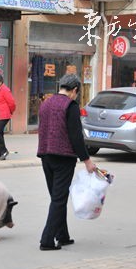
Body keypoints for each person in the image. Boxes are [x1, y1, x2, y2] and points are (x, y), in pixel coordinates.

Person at [37, 73, 97, 251]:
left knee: (57, 198)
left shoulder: (45, 104)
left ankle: (62, 235)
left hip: (45, 155)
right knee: (59, 199)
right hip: (63, 158)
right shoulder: (70, 106)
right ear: (75, 90)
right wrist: (87, 160)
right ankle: (47, 240)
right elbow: (76, 136)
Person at [0, 73, 16, 160]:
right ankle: (0, 153)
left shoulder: (5, 90)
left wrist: (10, 112)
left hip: (4, 115)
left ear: (1, 81)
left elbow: (12, 103)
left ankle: (4, 151)